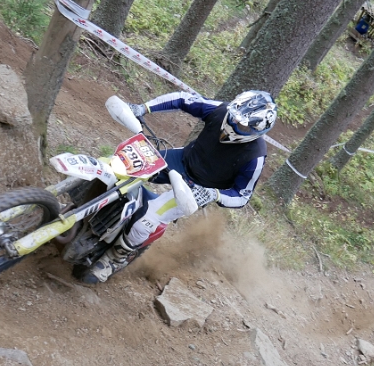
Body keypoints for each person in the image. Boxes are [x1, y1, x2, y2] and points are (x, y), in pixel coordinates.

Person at [81, 90, 277, 284]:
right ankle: (83, 205)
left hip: (199, 189)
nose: (235, 124)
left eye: (243, 125)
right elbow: (183, 99)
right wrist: (143, 108)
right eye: (234, 117)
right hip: (182, 160)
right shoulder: (221, 110)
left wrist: (214, 195)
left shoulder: (255, 157)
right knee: (118, 168)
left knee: (147, 219)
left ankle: (115, 258)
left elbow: (242, 196)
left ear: (257, 132)